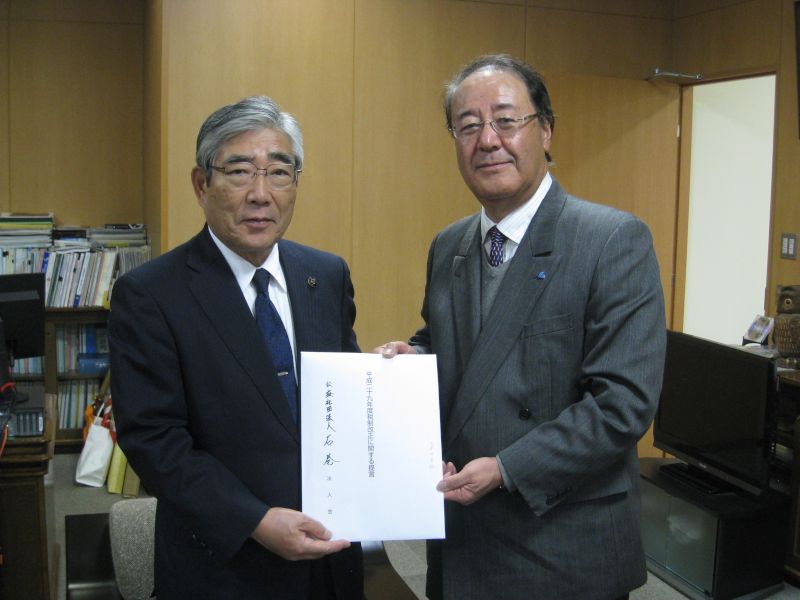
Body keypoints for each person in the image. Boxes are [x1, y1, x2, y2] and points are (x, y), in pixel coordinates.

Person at [377, 54, 666, 600]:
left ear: (546, 130)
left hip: (560, 541)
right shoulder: (449, 245)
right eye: (468, 126)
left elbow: (623, 402)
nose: (488, 140)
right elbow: (453, 347)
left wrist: (508, 468)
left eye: (506, 121)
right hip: (464, 535)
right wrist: (412, 361)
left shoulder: (611, 240)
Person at [109, 96, 363, 600]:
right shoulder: (151, 294)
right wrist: (254, 521)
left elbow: (343, 402)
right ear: (201, 184)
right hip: (224, 566)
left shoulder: (325, 275)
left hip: (330, 560)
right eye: (240, 172)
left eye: (279, 173)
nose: (260, 195)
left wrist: (388, 382)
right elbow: (155, 440)